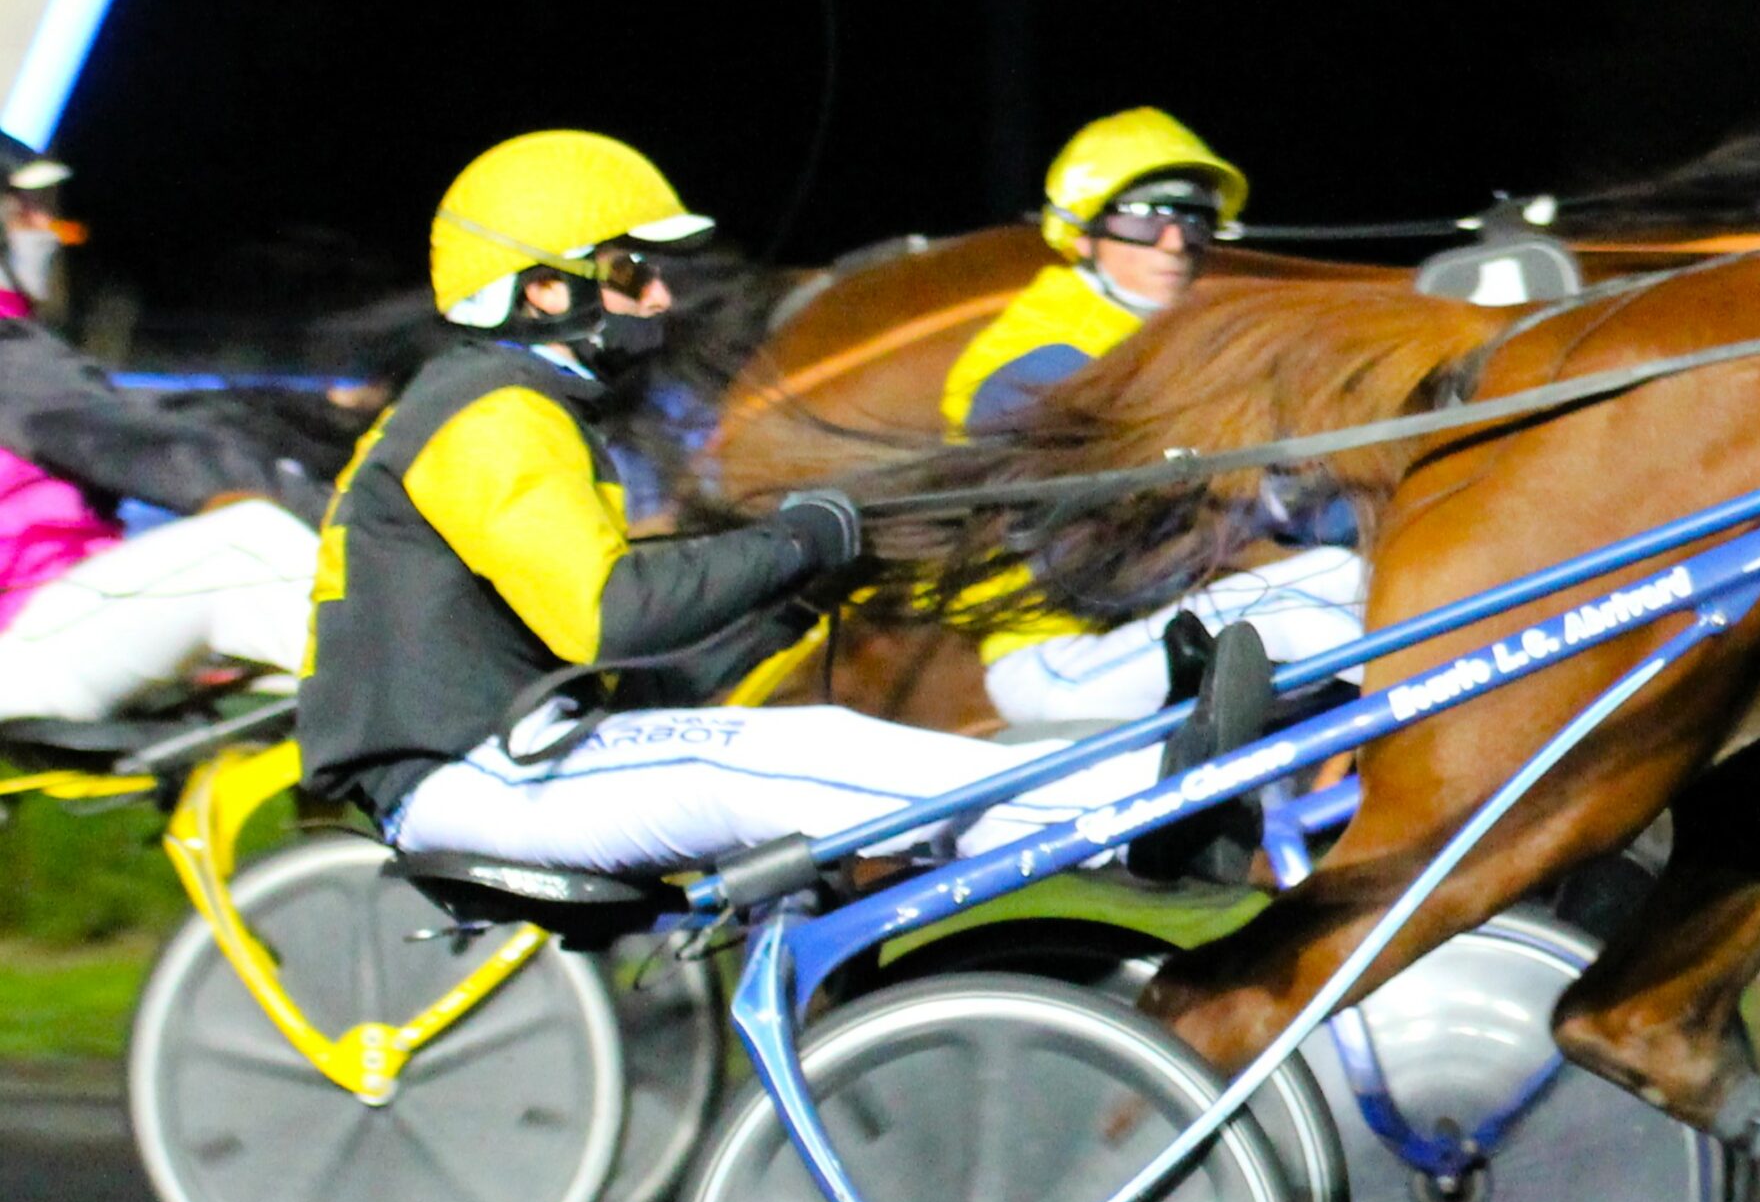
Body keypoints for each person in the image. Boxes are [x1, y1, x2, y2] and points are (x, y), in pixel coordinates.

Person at [302, 129, 1236, 874]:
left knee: (810, 748)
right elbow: (613, 617)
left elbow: (637, 646)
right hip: (471, 775)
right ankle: (1127, 818)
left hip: (507, 753)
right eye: (631, 273)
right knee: (782, 758)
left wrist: (800, 587)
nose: (659, 297)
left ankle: (1119, 801)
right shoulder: (491, 416)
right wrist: (800, 540)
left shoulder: (516, 410)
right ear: (543, 289)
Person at [941, 107, 1366, 730]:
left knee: (1357, 576)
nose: (1175, 243)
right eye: (1145, 219)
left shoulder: (1176, 342)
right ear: (1081, 234)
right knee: (1306, 615)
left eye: (1193, 220)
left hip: (1155, 627)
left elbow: (1306, 505)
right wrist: (1263, 507)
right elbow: (1095, 573)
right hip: (1060, 656)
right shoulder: (1037, 362)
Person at [0, 145, 331, 724]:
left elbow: (143, 415)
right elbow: (141, 446)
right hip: (21, 647)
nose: (44, 225)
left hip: (42, 630)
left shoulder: (19, 350)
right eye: (22, 207)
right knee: (245, 546)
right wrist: (341, 515)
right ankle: (454, 726)